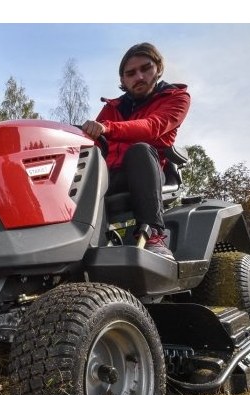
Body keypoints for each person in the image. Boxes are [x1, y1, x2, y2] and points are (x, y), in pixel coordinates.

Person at [81, 42, 190, 259]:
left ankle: (154, 237)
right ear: (123, 80)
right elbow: (92, 141)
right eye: (131, 73)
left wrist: (107, 127)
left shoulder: (177, 98)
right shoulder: (112, 108)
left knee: (139, 150)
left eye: (145, 68)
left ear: (158, 68)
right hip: (110, 175)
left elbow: (153, 127)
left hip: (146, 172)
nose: (139, 77)